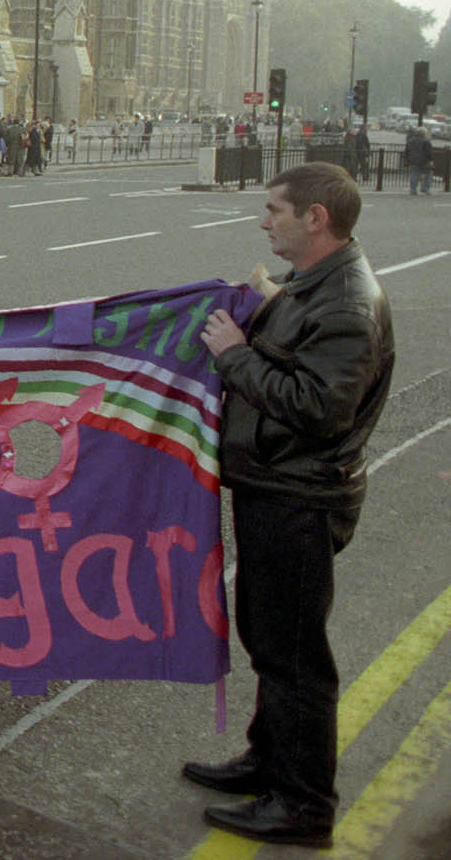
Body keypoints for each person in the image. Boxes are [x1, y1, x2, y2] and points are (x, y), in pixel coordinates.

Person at [185, 163, 394, 848]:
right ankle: (267, 759)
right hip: (276, 485)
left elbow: (319, 406)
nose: (263, 219)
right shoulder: (320, 283)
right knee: (269, 638)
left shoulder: (348, 303)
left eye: (275, 209)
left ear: (316, 219)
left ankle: (304, 804)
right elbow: (304, 353)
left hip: (301, 496)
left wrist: (236, 356)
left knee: (298, 658)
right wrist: (270, 301)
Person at [404, 123, 433, 195]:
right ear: (424, 133)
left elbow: (407, 151)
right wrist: (431, 160)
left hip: (413, 160)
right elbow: (428, 152)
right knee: (428, 174)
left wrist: (407, 159)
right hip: (424, 161)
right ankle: (425, 188)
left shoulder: (410, 141)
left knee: (414, 174)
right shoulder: (426, 141)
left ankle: (413, 190)